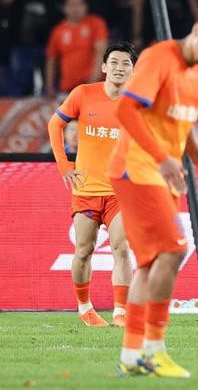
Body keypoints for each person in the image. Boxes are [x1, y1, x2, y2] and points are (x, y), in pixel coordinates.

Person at [109, 5, 198, 377]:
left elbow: (184, 127)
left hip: (162, 173)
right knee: (174, 249)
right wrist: (162, 159)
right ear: (197, 28)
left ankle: (131, 356)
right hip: (136, 167)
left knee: (150, 264)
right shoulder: (158, 58)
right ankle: (154, 349)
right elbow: (126, 111)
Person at [47, 41, 137, 327]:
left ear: (133, 71)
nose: (120, 68)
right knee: (84, 251)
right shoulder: (83, 94)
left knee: (121, 248)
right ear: (104, 67)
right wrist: (65, 166)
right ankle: (85, 308)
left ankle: (121, 312)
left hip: (120, 192)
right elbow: (55, 124)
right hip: (86, 191)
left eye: (126, 63)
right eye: (115, 62)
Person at [45, 0, 108, 96]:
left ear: (86, 6)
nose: (75, 9)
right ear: (63, 8)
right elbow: (51, 60)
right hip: (68, 89)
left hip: (94, 86)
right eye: (71, 5)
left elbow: (101, 53)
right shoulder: (58, 31)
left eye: (79, 4)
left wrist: (92, 82)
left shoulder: (96, 23)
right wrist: (49, 87)